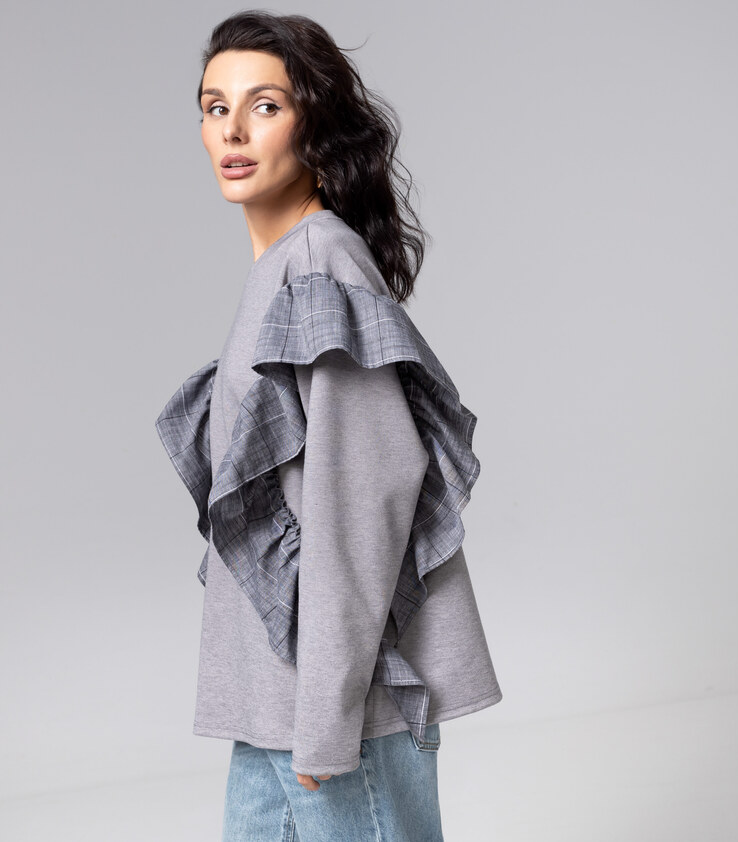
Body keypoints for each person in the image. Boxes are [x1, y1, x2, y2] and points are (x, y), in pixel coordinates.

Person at [155, 10, 502, 841]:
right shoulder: (280, 270)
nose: (233, 131)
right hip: (273, 705)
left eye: (265, 106)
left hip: (336, 711)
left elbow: (363, 504)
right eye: (214, 107)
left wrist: (326, 718)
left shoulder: (319, 263)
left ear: (315, 124)